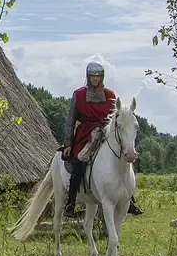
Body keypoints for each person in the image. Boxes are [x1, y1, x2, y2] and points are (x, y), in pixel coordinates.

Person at [59, 61, 143, 218]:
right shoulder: (78, 94)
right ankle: (70, 202)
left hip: (107, 132)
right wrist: (68, 143)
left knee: (127, 158)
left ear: (102, 77)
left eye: (98, 76)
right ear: (88, 76)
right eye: (93, 76)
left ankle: (129, 199)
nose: (95, 79)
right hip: (86, 134)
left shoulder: (110, 95)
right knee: (80, 160)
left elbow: (115, 117)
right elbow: (70, 120)